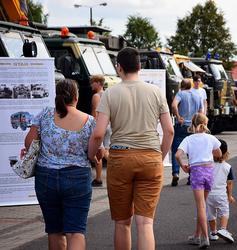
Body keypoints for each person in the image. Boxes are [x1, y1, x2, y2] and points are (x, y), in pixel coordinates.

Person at [88, 47, 174, 250]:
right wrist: (158, 157)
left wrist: (92, 156)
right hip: (151, 157)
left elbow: (99, 133)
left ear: (119, 68)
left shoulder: (109, 94)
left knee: (122, 222)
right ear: (140, 67)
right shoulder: (156, 92)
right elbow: (169, 131)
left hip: (121, 158)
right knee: (145, 223)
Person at [24, 79, 95, 250]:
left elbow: (28, 144)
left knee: (54, 231)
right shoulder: (89, 121)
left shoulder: (44, 114)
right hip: (77, 177)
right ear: (76, 97)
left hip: (45, 177)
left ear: (57, 96)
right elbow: (94, 152)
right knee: (75, 231)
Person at [175, 113, 222, 249]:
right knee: (203, 205)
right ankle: (197, 235)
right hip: (209, 172)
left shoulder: (189, 139)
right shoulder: (210, 138)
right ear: (205, 124)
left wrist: (183, 165)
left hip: (196, 172)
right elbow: (218, 154)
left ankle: (205, 238)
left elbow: (178, 154)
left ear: (193, 125)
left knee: (201, 206)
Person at [171, 78, 203, 186]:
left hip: (182, 125)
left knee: (176, 149)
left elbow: (174, 105)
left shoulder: (180, 94)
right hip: (193, 126)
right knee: (192, 152)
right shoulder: (198, 95)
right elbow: (201, 112)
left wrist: (178, 116)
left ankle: (176, 173)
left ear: (181, 86)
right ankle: (191, 176)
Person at [206, 139, 235, 243]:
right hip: (221, 194)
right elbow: (229, 183)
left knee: (210, 214)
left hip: (208, 194)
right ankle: (223, 229)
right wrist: (230, 196)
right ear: (226, 153)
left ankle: (213, 233)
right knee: (224, 212)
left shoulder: (208, 165)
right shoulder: (228, 167)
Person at [90, 74, 105, 187]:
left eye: (93, 82)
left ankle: (98, 178)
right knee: (106, 150)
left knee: (98, 151)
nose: (91, 84)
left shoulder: (96, 96)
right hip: (108, 125)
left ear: (98, 83)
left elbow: (95, 113)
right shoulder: (107, 94)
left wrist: (93, 126)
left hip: (99, 125)